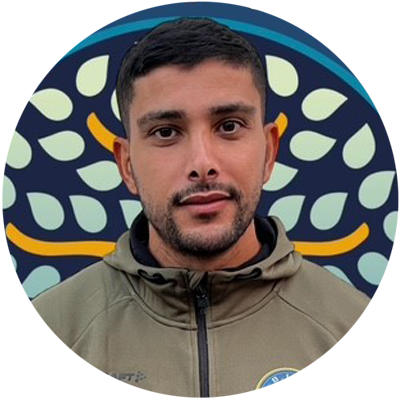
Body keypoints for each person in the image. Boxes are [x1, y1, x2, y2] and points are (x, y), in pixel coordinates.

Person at [33, 18, 369, 397]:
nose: (202, 163)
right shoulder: (45, 335)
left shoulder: (356, 329)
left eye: (229, 126)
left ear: (269, 152)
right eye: (166, 132)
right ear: (126, 165)